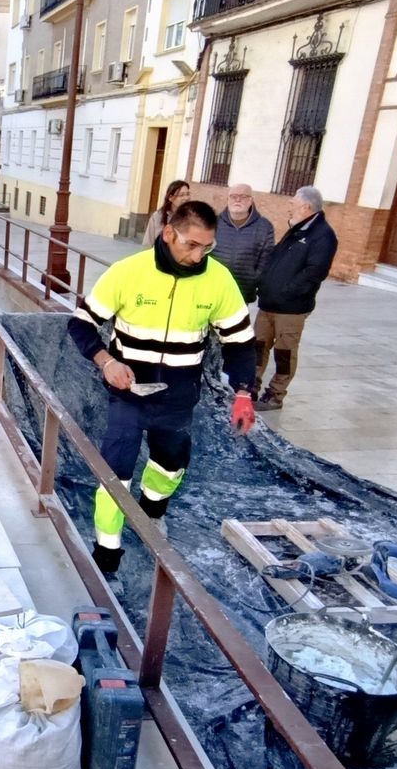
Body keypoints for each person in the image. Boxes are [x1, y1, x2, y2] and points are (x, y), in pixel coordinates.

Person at [68, 200, 257, 574]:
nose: (199, 254)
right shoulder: (128, 273)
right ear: (169, 233)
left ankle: (152, 514)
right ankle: (107, 549)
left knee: (171, 464)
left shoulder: (218, 280)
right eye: (192, 244)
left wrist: (243, 392)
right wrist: (107, 362)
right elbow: (81, 324)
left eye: (208, 246)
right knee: (115, 470)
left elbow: (240, 341)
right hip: (128, 393)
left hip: (178, 398)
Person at [254, 186, 339, 411]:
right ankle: (250, 388)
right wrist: (264, 283)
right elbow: (275, 259)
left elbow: (314, 273)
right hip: (268, 304)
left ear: (306, 207)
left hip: (290, 309)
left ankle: (274, 395)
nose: (288, 208)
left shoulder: (323, 236)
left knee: (284, 353)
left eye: (292, 204)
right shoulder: (297, 229)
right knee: (256, 348)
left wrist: (286, 292)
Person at [212, 183, 273, 306]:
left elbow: (266, 259)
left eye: (243, 196)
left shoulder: (264, 226)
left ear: (251, 200)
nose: (238, 200)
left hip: (242, 293)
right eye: (233, 196)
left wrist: (253, 279)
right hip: (213, 289)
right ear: (227, 199)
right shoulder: (214, 222)